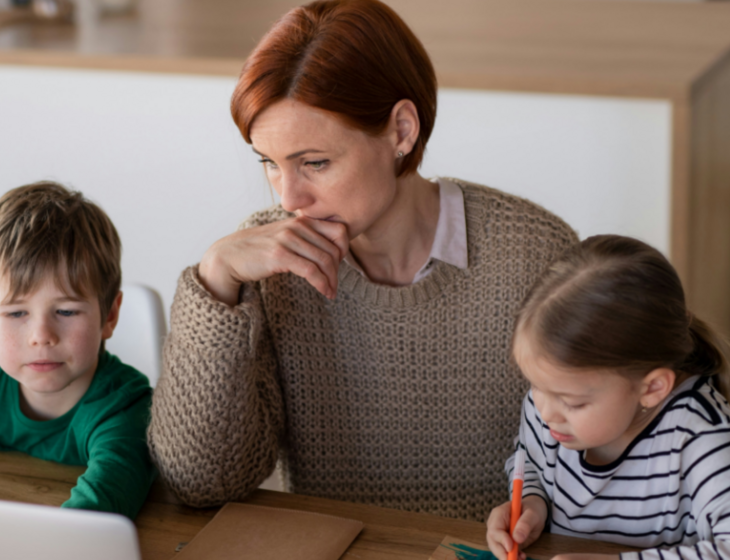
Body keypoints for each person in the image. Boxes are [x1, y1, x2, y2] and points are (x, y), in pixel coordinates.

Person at [148, 0, 577, 521]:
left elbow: (596, 466)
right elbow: (201, 482)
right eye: (270, 165)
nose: (289, 199)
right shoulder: (266, 266)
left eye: (315, 163)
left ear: (401, 130)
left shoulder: (538, 256)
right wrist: (215, 279)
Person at [486, 235, 730, 560]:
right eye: (535, 386)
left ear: (652, 388)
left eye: (572, 403)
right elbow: (528, 461)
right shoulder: (550, 401)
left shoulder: (699, 437)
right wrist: (533, 503)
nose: (545, 412)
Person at [0, 182, 156, 519]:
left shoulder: (126, 409)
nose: (42, 336)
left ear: (110, 315)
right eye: (16, 313)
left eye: (66, 311)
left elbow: (94, 517)